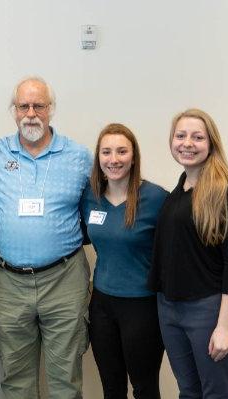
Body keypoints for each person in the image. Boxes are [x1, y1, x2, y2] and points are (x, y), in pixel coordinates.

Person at [0, 76, 92, 398]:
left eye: (39, 105)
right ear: (13, 111)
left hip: (64, 280)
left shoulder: (79, 157)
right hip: (10, 283)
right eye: (23, 106)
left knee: (65, 379)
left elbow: (98, 205)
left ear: (51, 110)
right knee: (16, 380)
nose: (31, 113)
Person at [149, 108, 228, 398]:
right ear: (172, 141)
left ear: (211, 144)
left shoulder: (223, 190)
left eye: (197, 137)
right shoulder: (178, 191)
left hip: (207, 311)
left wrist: (224, 327)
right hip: (169, 308)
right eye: (180, 136)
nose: (187, 143)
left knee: (216, 393)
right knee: (189, 392)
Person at [80, 123, 167, 399]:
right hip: (102, 305)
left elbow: (173, 253)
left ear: (133, 156)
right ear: (98, 157)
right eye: (106, 152)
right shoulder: (89, 198)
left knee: (144, 388)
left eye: (121, 151)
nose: (113, 159)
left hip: (142, 307)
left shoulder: (156, 199)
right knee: (112, 388)